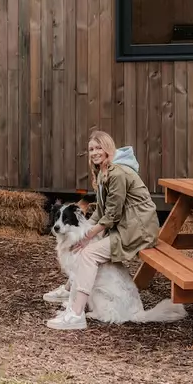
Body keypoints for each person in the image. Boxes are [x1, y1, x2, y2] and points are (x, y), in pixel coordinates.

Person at [44, 130, 160, 330]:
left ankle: (76, 314)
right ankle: (71, 294)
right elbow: (100, 212)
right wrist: (86, 233)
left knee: (87, 254)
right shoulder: (104, 172)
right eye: (91, 149)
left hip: (138, 230)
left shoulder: (118, 173)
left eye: (99, 147)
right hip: (127, 227)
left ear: (109, 148)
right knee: (85, 248)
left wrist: (87, 236)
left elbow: (112, 215)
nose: (94, 152)